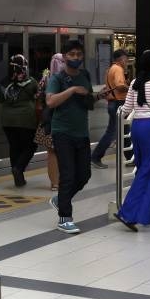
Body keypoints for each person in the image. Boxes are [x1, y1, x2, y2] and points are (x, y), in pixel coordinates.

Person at [44, 39, 110, 234]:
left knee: (84, 175)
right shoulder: (57, 78)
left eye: (79, 55)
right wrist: (72, 90)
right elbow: (50, 102)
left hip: (81, 132)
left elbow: (86, 101)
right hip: (62, 132)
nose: (75, 58)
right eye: (71, 54)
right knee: (67, 174)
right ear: (64, 57)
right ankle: (65, 218)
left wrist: (99, 96)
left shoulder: (85, 75)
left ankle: (59, 200)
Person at [114, 50, 150, 231]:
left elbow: (126, 109)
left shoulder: (134, 82)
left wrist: (116, 121)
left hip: (137, 128)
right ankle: (128, 212)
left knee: (144, 169)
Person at [0, 54, 38, 187]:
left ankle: (18, 177)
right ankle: (19, 168)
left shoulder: (4, 81)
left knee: (14, 146)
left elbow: (0, 100)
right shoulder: (30, 81)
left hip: (7, 121)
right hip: (26, 120)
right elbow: (38, 95)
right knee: (31, 145)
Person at [90, 49, 130, 169]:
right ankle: (95, 156)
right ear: (121, 59)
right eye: (126, 59)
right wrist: (130, 88)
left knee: (125, 130)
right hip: (118, 103)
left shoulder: (110, 69)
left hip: (114, 102)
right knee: (112, 132)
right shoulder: (118, 69)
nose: (126, 62)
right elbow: (119, 86)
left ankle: (130, 157)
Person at [34, 53, 63, 197]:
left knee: (51, 153)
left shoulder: (45, 77)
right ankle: (62, 180)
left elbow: (38, 95)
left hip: (47, 120)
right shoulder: (65, 79)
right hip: (63, 120)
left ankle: (54, 183)